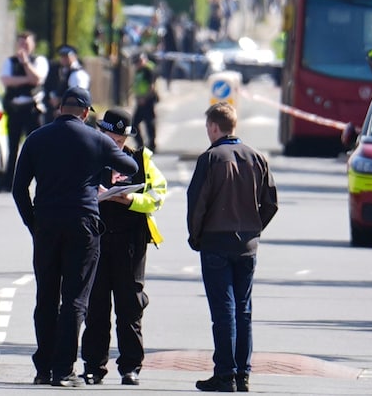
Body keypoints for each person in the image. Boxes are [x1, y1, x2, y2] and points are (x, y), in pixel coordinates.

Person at [11, 87, 138, 387]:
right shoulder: (96, 140)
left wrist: (33, 223)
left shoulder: (36, 138)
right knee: (75, 300)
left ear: (59, 108)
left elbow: (19, 189)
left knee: (46, 297)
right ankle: (63, 369)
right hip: (82, 224)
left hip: (46, 224)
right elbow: (130, 166)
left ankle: (43, 367)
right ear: (84, 113)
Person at [187, 102, 278, 393]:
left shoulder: (211, 158)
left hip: (215, 241)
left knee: (223, 310)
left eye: (207, 128)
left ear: (214, 127)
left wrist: (196, 236)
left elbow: (197, 204)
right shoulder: (257, 157)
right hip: (247, 245)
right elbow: (271, 202)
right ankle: (243, 373)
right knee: (244, 309)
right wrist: (254, 227)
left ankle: (225, 373)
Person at [80, 108, 167, 386]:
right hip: (96, 238)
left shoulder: (141, 159)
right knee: (96, 306)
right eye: (111, 137)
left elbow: (157, 196)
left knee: (130, 306)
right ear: (101, 132)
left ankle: (131, 366)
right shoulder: (89, 157)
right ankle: (94, 366)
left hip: (131, 241)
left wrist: (130, 201)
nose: (115, 143)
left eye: (120, 139)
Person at [0, 31, 50, 191]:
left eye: (26, 43)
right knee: (12, 146)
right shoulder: (10, 62)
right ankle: (8, 183)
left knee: (36, 147)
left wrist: (26, 64)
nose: (23, 46)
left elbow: (37, 79)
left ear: (33, 45)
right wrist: (26, 79)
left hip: (33, 110)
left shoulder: (39, 61)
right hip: (15, 110)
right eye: (21, 43)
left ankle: (42, 181)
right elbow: (6, 80)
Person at [43, 45, 90, 124]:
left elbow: (78, 97)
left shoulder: (78, 74)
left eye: (66, 56)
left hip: (72, 115)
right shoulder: (60, 70)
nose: (64, 59)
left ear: (74, 56)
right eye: (62, 56)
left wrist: (61, 105)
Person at [131, 53, 159, 152]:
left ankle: (151, 145)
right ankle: (141, 144)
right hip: (141, 100)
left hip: (147, 100)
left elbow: (151, 86)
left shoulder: (148, 70)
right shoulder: (140, 71)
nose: (137, 64)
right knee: (135, 123)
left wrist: (144, 98)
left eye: (139, 62)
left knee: (148, 123)